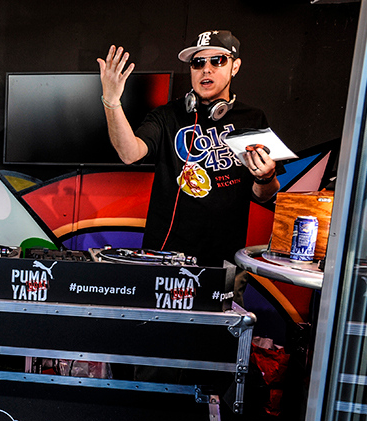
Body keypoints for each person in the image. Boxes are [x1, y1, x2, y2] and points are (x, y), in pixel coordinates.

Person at [97, 30, 280, 268]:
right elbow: (130, 153)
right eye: (198, 63)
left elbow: (264, 194)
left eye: (217, 61)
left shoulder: (252, 119)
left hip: (225, 260)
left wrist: (266, 176)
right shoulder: (167, 115)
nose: (206, 69)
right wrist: (112, 102)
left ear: (235, 67)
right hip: (165, 256)